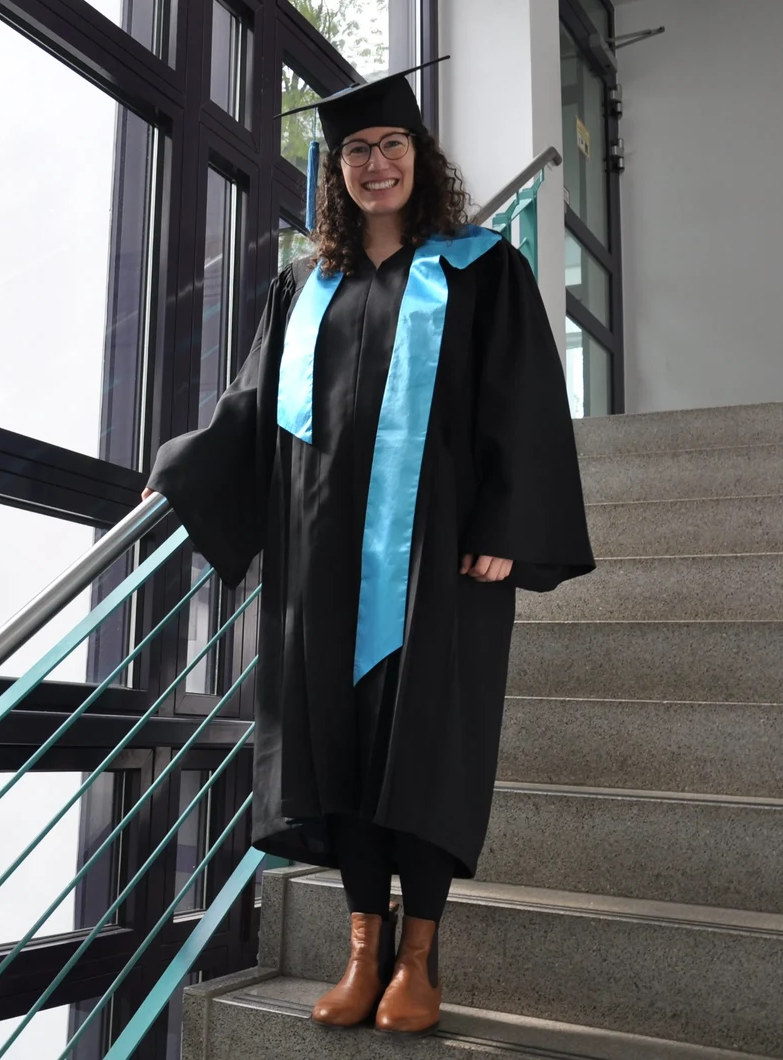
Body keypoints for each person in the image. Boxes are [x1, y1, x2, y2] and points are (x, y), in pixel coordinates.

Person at [141, 62, 594, 1037]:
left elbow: (522, 406)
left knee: (426, 747)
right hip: (324, 560)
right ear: (333, 172)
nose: (374, 164)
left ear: (419, 161)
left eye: (391, 146)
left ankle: (420, 955)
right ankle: (362, 946)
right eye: (354, 150)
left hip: (443, 558)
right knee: (334, 744)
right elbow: (254, 411)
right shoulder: (302, 289)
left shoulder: (482, 272)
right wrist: (180, 470)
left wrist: (504, 531)